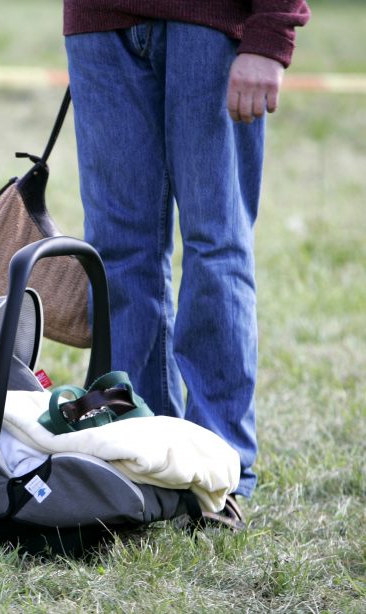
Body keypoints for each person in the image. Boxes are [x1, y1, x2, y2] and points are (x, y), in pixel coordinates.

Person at [62, 1, 310, 528]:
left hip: (214, 19)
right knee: (117, 251)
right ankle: (136, 458)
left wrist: (270, 34)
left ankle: (220, 475)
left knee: (215, 245)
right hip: (98, 21)